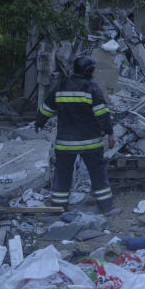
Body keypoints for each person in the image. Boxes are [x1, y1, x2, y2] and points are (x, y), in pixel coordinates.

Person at [36, 55, 116, 212]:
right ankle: (106, 208)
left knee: (62, 174)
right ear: (89, 71)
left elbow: (46, 108)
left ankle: (58, 207)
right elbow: (102, 114)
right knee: (98, 174)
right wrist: (110, 133)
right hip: (91, 143)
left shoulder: (61, 87)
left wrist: (39, 123)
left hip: (65, 144)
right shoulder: (92, 89)